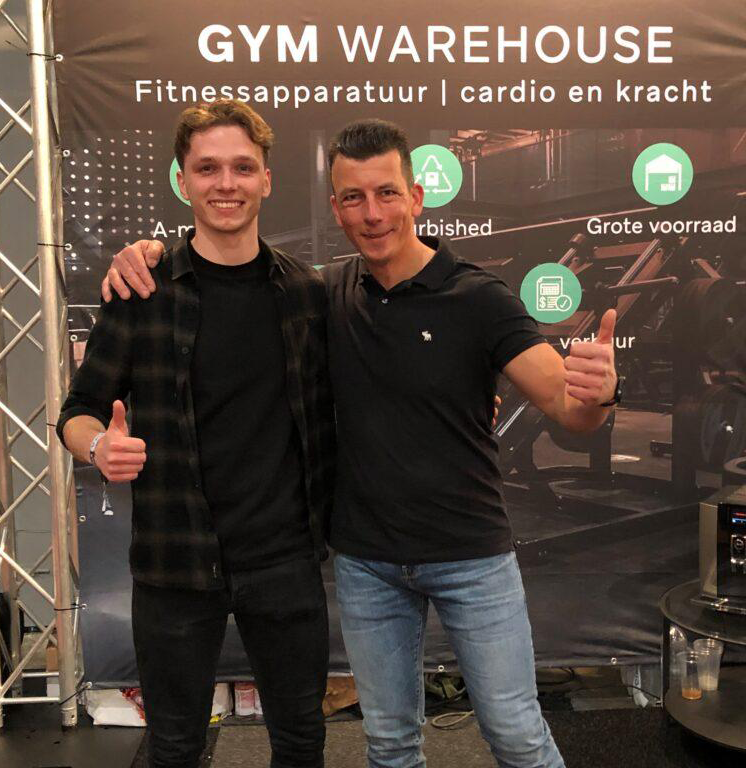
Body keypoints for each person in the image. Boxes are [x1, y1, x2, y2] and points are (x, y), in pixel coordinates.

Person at [103, 117, 620, 768]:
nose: (372, 214)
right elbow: (228, 274)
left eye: (386, 193)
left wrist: (599, 394)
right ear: (336, 207)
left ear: (416, 197)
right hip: (368, 563)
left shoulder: (478, 298)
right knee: (390, 745)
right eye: (354, 197)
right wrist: (147, 253)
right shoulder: (326, 293)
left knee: (516, 733)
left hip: (470, 556)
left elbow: (569, 411)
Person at [57, 100, 334, 768]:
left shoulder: (305, 292)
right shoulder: (141, 291)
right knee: (176, 746)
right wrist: (98, 447)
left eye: (242, 167)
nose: (225, 183)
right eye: (207, 168)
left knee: (301, 740)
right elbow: (77, 411)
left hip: (284, 558)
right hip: (173, 560)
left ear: (267, 179)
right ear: (183, 181)